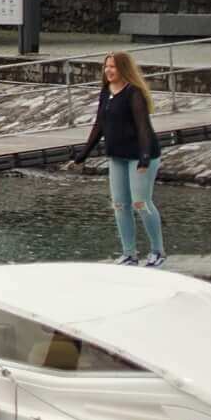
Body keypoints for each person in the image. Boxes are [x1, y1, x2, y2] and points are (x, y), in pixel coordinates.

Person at [75, 50, 165, 267]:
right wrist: (84, 152)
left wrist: (144, 157)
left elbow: (143, 127)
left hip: (141, 156)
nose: (108, 70)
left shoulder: (134, 93)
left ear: (123, 69)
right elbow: (100, 124)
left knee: (140, 202)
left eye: (113, 66)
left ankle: (157, 252)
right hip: (117, 155)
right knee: (119, 204)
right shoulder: (106, 91)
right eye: (106, 66)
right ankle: (129, 254)